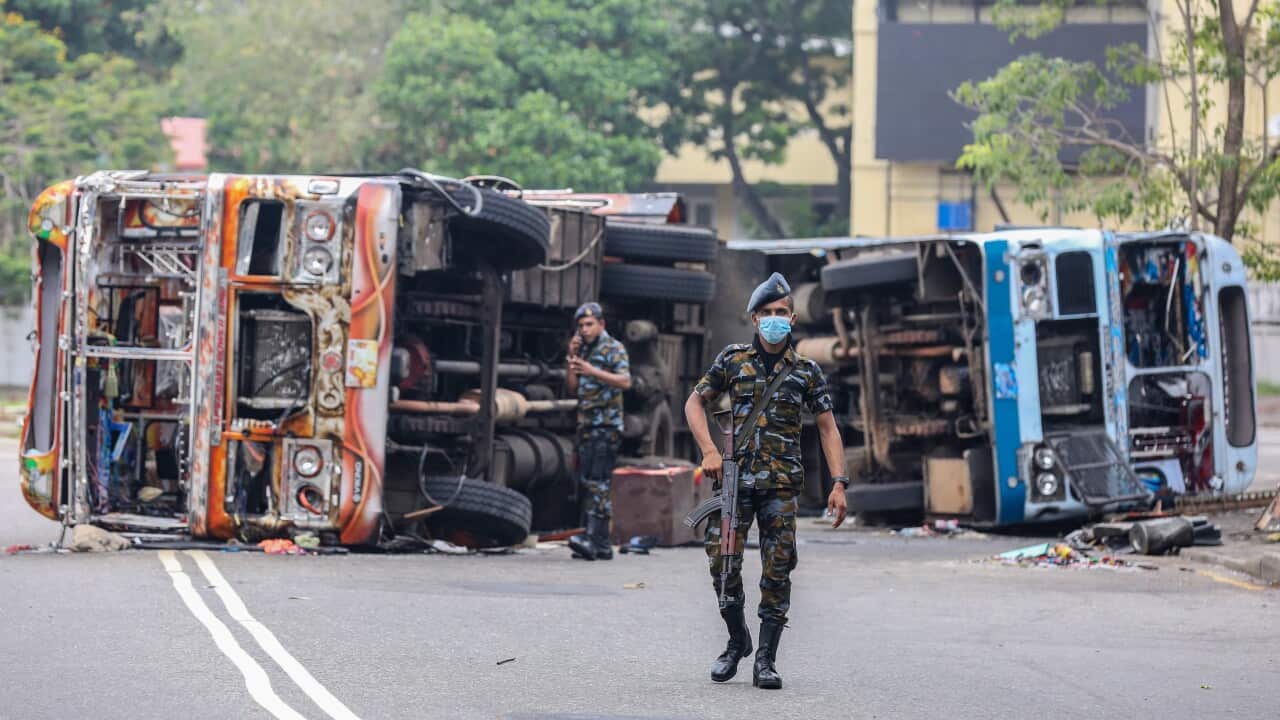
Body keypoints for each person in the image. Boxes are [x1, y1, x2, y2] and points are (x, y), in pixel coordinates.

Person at [684, 272, 849, 690]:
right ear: (754, 318)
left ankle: (766, 660)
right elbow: (693, 403)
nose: (775, 319)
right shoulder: (733, 359)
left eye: (782, 313)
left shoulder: (806, 371)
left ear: (793, 319)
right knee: (723, 563)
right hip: (736, 483)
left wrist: (839, 483)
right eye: (767, 313)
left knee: (778, 570)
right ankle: (737, 640)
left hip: (780, 486)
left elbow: (828, 428)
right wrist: (707, 450)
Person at [565, 302, 631, 560]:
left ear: (601, 325)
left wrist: (593, 370)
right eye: (581, 326)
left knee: (599, 484)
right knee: (589, 482)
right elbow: (572, 387)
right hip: (587, 425)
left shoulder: (613, 348)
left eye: (589, 324)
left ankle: (594, 539)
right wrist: (571, 360)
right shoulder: (583, 350)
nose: (585, 329)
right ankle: (601, 544)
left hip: (606, 425)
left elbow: (625, 381)